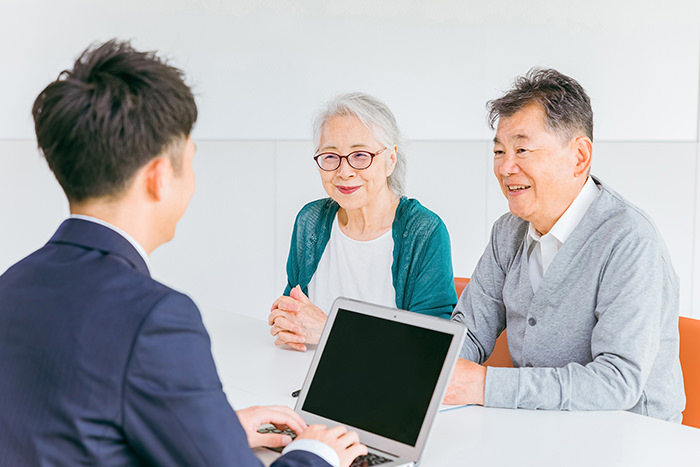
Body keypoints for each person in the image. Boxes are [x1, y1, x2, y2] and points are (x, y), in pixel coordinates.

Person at [0, 40, 366, 467]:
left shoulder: (14, 283)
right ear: (158, 178)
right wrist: (318, 452)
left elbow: (77, 426)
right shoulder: (155, 318)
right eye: (190, 160)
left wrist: (216, 429)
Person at [444, 68, 685, 422]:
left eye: (522, 149)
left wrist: (482, 384)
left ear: (579, 157)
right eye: (499, 151)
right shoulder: (507, 232)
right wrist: (432, 368)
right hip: (542, 428)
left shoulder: (629, 239)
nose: (505, 167)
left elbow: (617, 382)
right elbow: (468, 334)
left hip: (630, 438)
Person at [269, 93, 457, 351]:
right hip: (302, 380)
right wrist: (286, 321)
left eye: (360, 155)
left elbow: (431, 348)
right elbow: (295, 312)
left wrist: (330, 331)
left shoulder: (423, 231)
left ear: (390, 159)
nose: (344, 172)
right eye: (331, 156)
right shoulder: (310, 222)